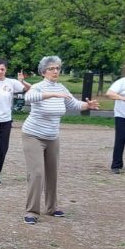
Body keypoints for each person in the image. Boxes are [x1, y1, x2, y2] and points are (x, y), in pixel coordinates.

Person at [20, 56, 99, 225]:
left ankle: (51, 207)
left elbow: (75, 104)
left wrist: (87, 106)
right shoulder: (37, 87)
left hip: (52, 137)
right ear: (43, 72)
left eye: (57, 68)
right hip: (33, 135)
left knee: (52, 173)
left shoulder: (62, 87)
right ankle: (32, 211)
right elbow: (28, 98)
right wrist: (53, 94)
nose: (56, 71)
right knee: (37, 173)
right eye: (52, 68)